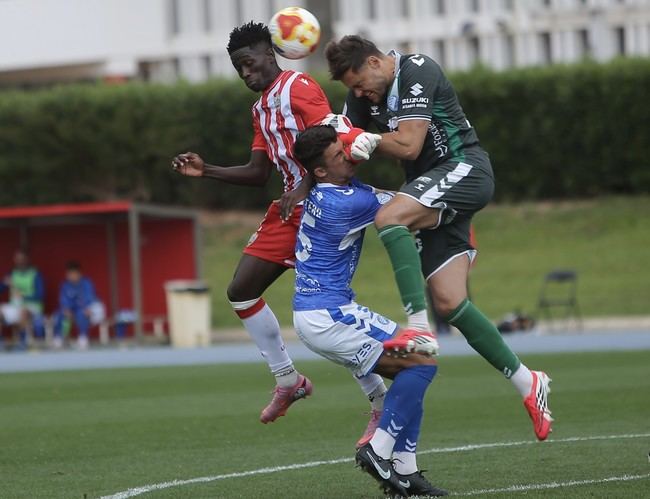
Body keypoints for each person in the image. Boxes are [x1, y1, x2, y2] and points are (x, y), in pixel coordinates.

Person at [324, 36, 553, 441]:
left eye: (359, 83)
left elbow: (409, 145)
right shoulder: (361, 95)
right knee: (450, 302)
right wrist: (335, 137)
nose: (358, 94)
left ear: (375, 62)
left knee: (389, 217)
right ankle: (528, 381)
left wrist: (369, 140)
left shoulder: (417, 69)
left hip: (464, 169)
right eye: (352, 89)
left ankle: (417, 327)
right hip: (431, 189)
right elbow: (345, 143)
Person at [171, 22, 388, 439]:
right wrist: (207, 170)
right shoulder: (261, 109)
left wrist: (305, 186)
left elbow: (331, 139)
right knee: (241, 291)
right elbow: (258, 173)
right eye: (238, 67)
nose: (245, 72)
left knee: (322, 315)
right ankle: (288, 380)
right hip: (289, 210)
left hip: (323, 204)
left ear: (269, 54)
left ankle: (379, 401)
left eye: (249, 62)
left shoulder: (298, 87)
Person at [293, 124, 446, 497]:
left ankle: (405, 470)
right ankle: (378, 450)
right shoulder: (345, 203)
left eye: (344, 147)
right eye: (338, 154)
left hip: (323, 311)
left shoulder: (333, 190)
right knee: (422, 361)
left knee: (413, 369)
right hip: (328, 313)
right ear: (320, 171)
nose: (348, 155)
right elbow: (416, 211)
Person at [52, 261, 106, 350]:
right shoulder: (65, 285)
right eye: (70, 274)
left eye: (74, 274)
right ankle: (59, 338)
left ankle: (83, 338)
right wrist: (66, 309)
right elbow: (63, 300)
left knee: (82, 313)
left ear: (79, 274)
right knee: (60, 314)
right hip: (71, 310)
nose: (72, 276)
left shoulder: (86, 283)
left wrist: (86, 308)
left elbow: (89, 298)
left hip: (86, 309)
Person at [0, 249, 45, 347]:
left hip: (32, 306)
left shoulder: (35, 274)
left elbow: (40, 295)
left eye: (21, 259)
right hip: (15, 306)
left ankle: (22, 341)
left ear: (27, 259)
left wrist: (23, 296)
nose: (19, 262)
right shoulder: (12, 273)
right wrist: (4, 283)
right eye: (17, 259)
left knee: (23, 312)